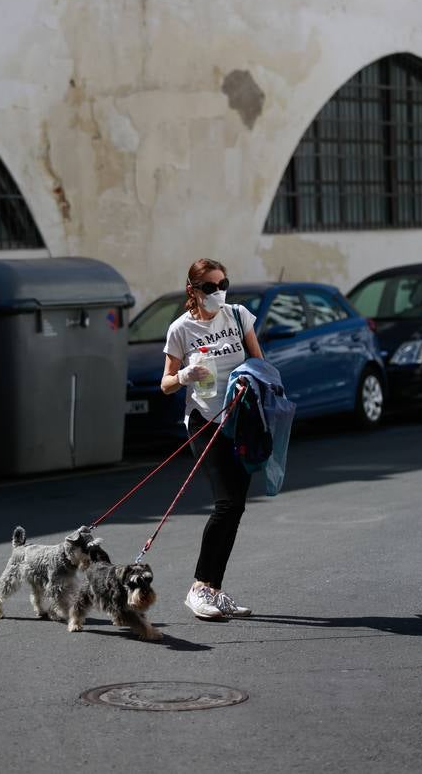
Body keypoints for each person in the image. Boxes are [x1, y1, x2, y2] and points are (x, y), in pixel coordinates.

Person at [161, 258, 263, 620]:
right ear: (193, 290)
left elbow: (259, 363)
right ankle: (199, 588)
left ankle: (214, 589)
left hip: (242, 421)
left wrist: (250, 383)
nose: (218, 293)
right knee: (224, 504)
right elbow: (165, 383)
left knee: (235, 507)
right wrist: (186, 374)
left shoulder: (238, 316)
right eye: (210, 287)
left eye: (223, 285)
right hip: (205, 422)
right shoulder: (181, 329)